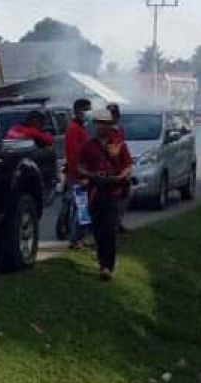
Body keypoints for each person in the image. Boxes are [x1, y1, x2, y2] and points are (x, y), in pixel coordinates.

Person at [78, 108, 132, 281]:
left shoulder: (119, 145)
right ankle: (103, 263)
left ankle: (107, 266)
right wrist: (91, 175)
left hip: (113, 191)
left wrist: (118, 177)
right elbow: (79, 166)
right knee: (99, 231)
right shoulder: (88, 146)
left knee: (109, 229)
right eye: (99, 123)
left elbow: (127, 166)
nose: (102, 127)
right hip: (95, 191)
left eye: (105, 123)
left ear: (111, 125)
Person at [64, 98, 92, 250]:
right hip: (78, 175)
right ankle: (75, 240)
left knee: (80, 207)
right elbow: (74, 155)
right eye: (87, 110)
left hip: (80, 173)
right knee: (82, 208)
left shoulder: (80, 128)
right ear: (78, 110)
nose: (89, 113)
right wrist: (81, 175)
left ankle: (79, 237)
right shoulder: (74, 129)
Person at [105, 103, 133, 233]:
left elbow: (121, 147)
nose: (112, 117)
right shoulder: (104, 131)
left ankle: (117, 222)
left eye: (114, 115)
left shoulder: (119, 129)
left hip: (120, 167)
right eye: (110, 115)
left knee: (124, 195)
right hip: (107, 167)